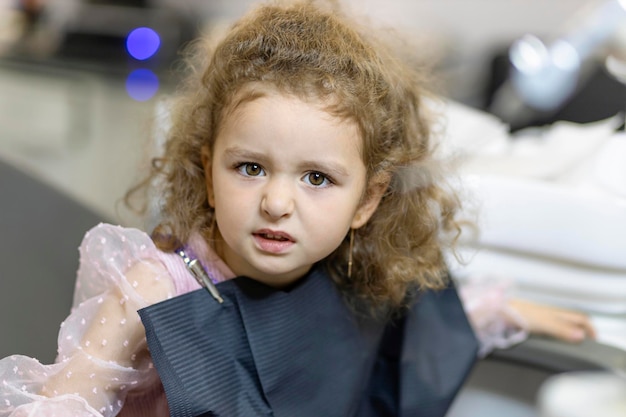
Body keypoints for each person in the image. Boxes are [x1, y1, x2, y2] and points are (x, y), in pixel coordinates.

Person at [0, 1, 595, 416]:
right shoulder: (155, 290)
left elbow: (416, 324)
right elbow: (68, 400)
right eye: (250, 168)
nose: (278, 203)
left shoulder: (346, 274)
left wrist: (512, 313)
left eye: (316, 177)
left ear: (367, 200)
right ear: (208, 173)